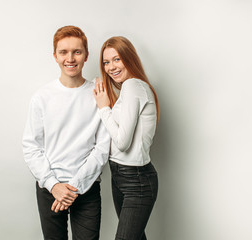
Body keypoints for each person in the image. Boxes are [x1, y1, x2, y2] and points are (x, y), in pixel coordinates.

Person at [22, 26, 110, 240]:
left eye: (77, 52)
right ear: (55, 56)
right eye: (63, 52)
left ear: (86, 55)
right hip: (49, 189)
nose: (70, 58)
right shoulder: (42, 97)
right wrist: (54, 185)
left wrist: (74, 187)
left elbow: (102, 148)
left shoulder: (98, 94)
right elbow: (31, 147)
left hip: (86, 189)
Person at [93, 36, 159, 240]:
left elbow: (122, 142)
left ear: (129, 58)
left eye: (117, 59)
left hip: (136, 180)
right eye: (106, 62)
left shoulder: (134, 87)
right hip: (120, 175)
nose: (111, 67)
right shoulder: (128, 90)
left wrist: (104, 107)